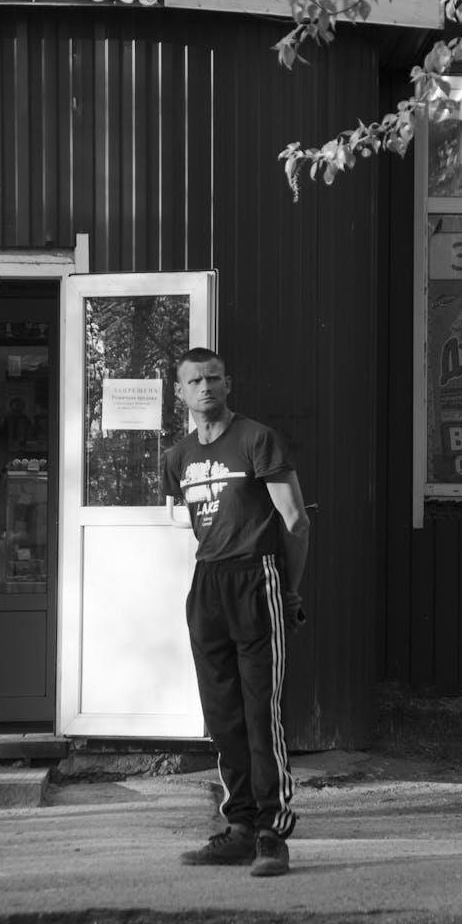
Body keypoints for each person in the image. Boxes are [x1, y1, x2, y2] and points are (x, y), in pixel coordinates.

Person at [163, 347, 310, 876]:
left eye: (214, 378)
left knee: (259, 713)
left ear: (229, 384)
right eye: (194, 381)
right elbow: (192, 524)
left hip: (257, 576)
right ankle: (241, 827)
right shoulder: (177, 457)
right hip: (208, 586)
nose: (205, 388)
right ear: (179, 391)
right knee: (222, 715)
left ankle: (273, 833)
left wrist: (288, 590)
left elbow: (295, 521)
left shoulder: (256, 439)